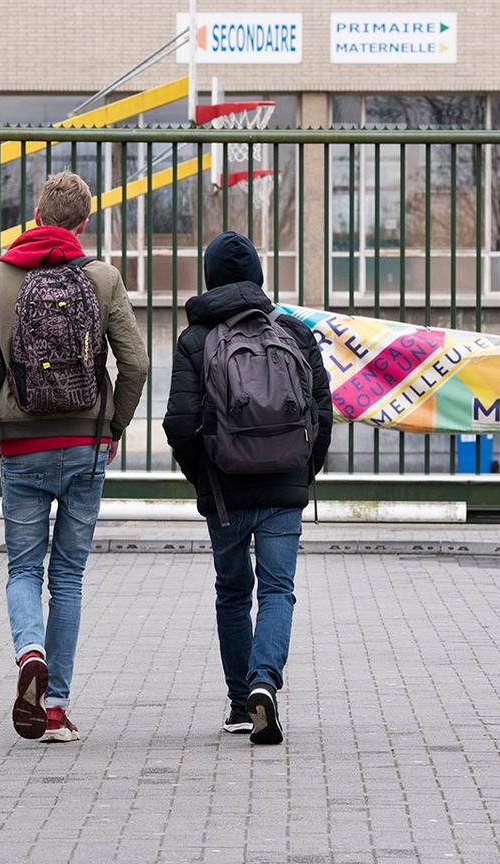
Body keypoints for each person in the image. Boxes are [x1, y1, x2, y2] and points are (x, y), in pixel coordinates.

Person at [0, 171, 149, 743]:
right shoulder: (102, 278)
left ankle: (29, 654)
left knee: (23, 568)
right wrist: (111, 427)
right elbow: (136, 363)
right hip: (84, 445)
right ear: (84, 222)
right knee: (66, 577)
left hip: (22, 446)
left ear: (37, 216)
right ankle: (55, 707)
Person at [162, 231, 332, 746]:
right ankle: (265, 683)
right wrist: (302, 473)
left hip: (226, 489)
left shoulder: (195, 340)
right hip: (284, 484)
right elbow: (322, 414)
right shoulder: (295, 333)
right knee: (279, 589)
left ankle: (241, 702)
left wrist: (205, 479)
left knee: (233, 592)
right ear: (258, 276)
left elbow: (178, 422)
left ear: (210, 279)